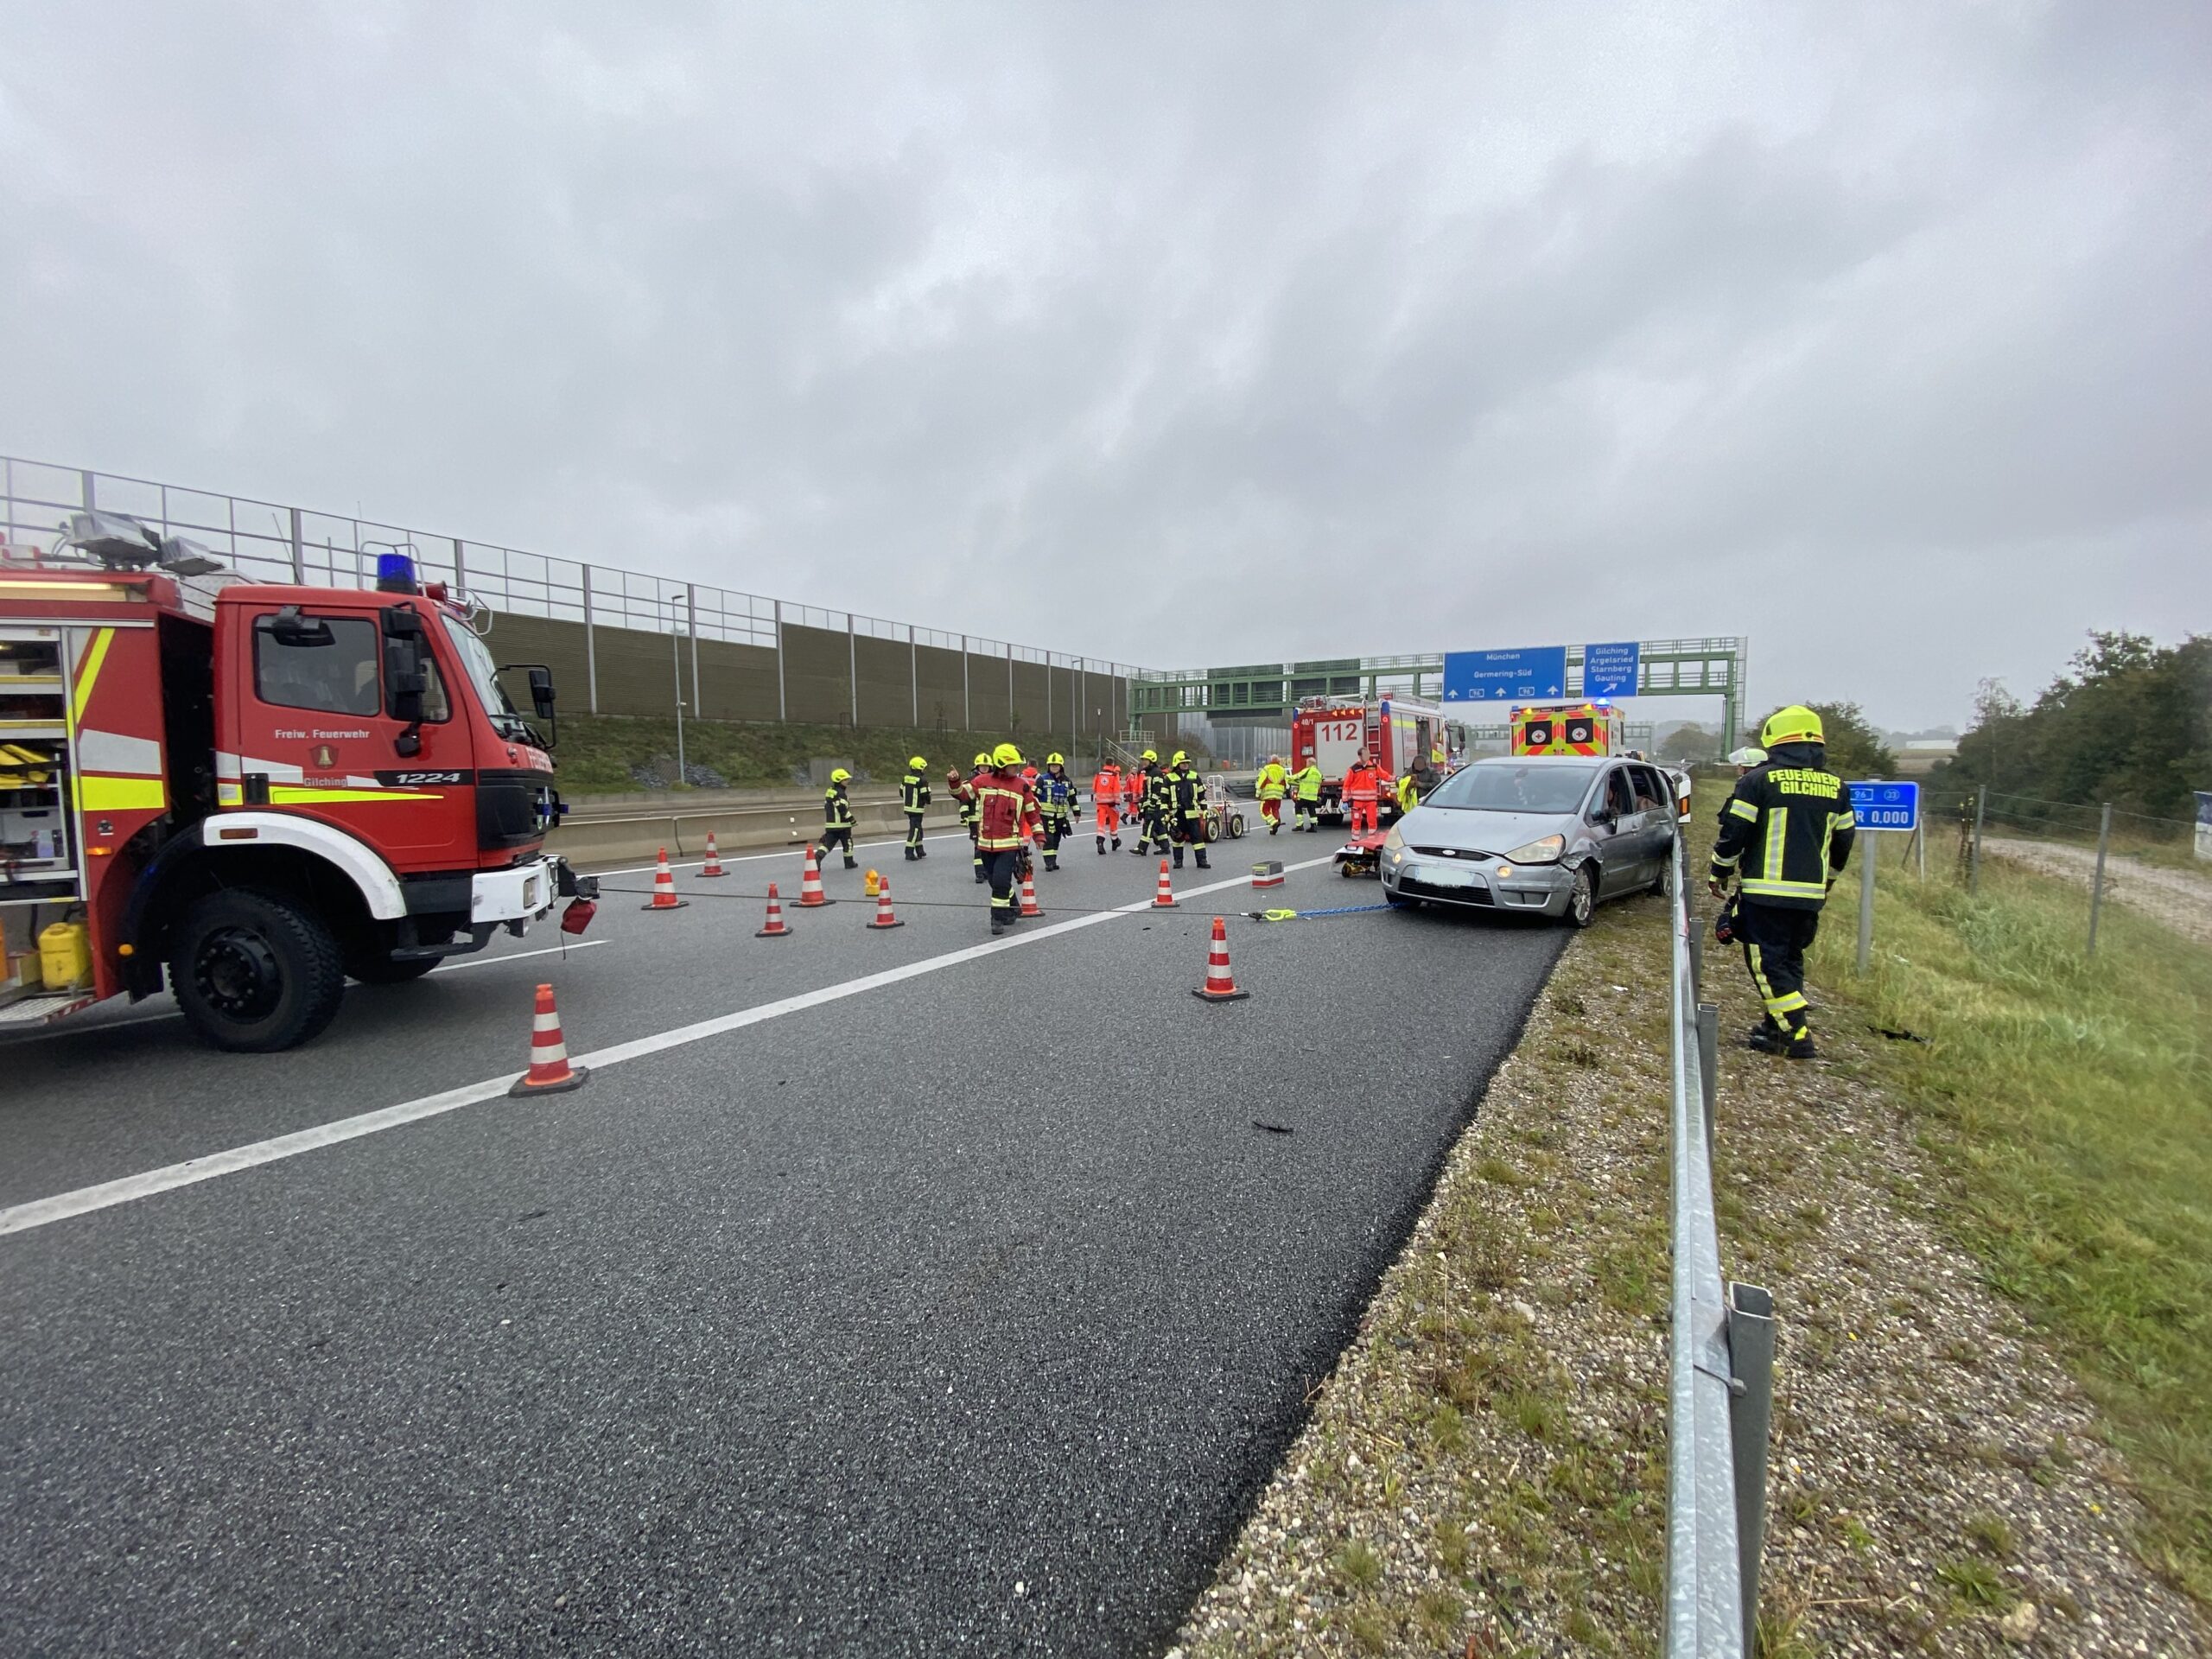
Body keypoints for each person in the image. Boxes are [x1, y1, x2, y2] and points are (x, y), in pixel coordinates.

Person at [1707, 706, 1855, 1060]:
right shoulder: (1837, 786)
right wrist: (1828, 880)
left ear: (1774, 738)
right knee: (1789, 960)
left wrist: (1719, 871)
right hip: (1809, 896)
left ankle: (1796, 1034)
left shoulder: (1758, 781)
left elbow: (1735, 832)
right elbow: (1845, 841)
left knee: (1766, 964)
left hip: (1765, 894)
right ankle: (1774, 1028)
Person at [950, 743, 1039, 935]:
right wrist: (955, 782)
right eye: (1013, 765)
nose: (1017, 768)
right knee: (994, 880)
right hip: (985, 845)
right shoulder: (982, 781)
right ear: (1001, 764)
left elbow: (1032, 812)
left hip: (1008, 845)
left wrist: (1039, 835)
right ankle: (1013, 905)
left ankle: (997, 918)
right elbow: (962, 794)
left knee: (1000, 880)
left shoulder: (1021, 786)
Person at [1034, 753, 1077, 871]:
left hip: (1061, 816)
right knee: (1049, 838)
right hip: (1046, 815)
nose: (1054, 767)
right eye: (1052, 765)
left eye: (1056, 766)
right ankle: (1048, 862)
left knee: (1057, 838)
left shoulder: (1067, 781)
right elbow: (1034, 796)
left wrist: (1076, 812)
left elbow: (1072, 798)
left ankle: (1053, 860)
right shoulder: (1042, 779)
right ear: (1049, 766)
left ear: (1061, 767)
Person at [1168, 749, 1210, 870]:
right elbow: (1164, 798)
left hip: (1192, 813)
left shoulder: (1194, 776)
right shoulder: (1169, 778)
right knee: (1177, 839)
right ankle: (1178, 861)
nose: (1186, 765)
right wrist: (1166, 814)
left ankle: (1202, 861)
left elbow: (1201, 795)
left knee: (1198, 839)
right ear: (1177, 763)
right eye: (1183, 763)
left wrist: (1205, 809)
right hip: (1177, 814)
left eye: (1187, 763)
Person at [1130, 748, 1169, 855]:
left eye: (1146, 760)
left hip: (1155, 805)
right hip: (1151, 804)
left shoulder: (1156, 773)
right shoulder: (1149, 773)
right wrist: (1142, 803)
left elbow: (1158, 790)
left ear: (1152, 761)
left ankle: (1142, 848)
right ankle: (1165, 848)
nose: (1143, 762)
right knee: (1160, 827)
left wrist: (1151, 803)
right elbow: (1147, 790)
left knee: (1149, 825)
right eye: (1143, 760)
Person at [821, 767, 858, 869]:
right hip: (843, 825)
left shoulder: (830, 792)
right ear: (839, 780)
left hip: (830, 825)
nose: (847, 782)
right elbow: (842, 808)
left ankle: (817, 858)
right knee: (848, 844)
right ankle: (849, 863)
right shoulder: (841, 793)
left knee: (827, 845)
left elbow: (826, 807)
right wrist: (852, 820)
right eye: (845, 780)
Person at [963, 751, 991, 882]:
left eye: (986, 766)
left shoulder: (994, 780)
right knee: (978, 847)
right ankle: (980, 873)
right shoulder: (970, 781)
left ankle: (988, 870)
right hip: (975, 818)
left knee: (989, 847)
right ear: (977, 767)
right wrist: (964, 816)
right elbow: (963, 800)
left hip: (991, 819)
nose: (984, 768)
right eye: (982, 766)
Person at [899, 755, 931, 861]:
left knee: (918, 830)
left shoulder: (906, 779)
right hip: (917, 809)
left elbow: (901, 792)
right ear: (920, 768)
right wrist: (928, 801)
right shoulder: (922, 780)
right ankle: (909, 852)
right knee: (915, 830)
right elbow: (925, 795)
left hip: (908, 808)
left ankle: (920, 850)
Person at [1342, 751, 1381, 836]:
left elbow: (1385, 776)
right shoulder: (1353, 769)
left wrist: (1396, 779)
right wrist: (1345, 801)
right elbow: (1346, 785)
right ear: (1359, 756)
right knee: (1356, 822)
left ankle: (1371, 842)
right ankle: (1355, 843)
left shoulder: (1374, 767)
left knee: (1372, 821)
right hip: (1357, 801)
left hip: (1371, 801)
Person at [1091, 759, 1124, 854]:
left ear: (1105, 763)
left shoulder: (1098, 774)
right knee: (1113, 823)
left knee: (1101, 824)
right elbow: (1116, 790)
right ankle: (1115, 842)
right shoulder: (1114, 775)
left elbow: (1094, 788)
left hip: (1100, 803)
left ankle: (1100, 843)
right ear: (1113, 764)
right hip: (1111, 804)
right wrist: (1117, 803)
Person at [1254, 753, 1289, 836]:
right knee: (1275, 810)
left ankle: (1274, 823)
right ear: (1278, 761)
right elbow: (1286, 784)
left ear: (1271, 760)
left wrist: (1257, 794)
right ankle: (1272, 829)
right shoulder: (1282, 769)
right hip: (1278, 795)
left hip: (1268, 794)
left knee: (1264, 810)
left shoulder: (1267, 769)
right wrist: (1282, 792)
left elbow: (1261, 782)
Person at [1292, 757, 1324, 831]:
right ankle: (1313, 827)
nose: (1306, 764)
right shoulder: (1318, 773)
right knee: (1312, 811)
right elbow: (1319, 784)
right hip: (1313, 796)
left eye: (1307, 763)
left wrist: (1287, 778)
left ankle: (1300, 825)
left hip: (1304, 795)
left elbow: (1297, 777)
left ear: (1310, 763)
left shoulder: (1307, 771)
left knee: (1298, 807)